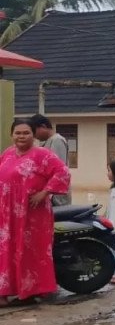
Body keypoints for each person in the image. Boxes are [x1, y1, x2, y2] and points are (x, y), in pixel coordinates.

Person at [0, 118, 71, 306]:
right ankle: (6, 291)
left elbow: (63, 172)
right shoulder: (7, 154)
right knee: (7, 251)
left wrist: (45, 192)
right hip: (7, 214)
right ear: (11, 135)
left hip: (32, 214)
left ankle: (31, 292)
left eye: (26, 133)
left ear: (33, 135)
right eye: (18, 133)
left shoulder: (43, 155)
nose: (21, 136)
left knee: (30, 252)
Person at [31, 114, 71, 207]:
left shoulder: (57, 140)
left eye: (34, 131)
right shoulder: (46, 143)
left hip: (56, 197)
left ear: (43, 126)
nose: (34, 135)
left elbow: (60, 170)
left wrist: (48, 193)